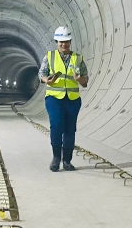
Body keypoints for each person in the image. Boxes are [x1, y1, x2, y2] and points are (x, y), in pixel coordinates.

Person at [39, 26, 89, 172]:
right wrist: (46, 79)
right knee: (56, 124)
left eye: (66, 41)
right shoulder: (49, 56)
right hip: (54, 97)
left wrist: (79, 79)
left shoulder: (78, 58)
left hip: (72, 99)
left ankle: (67, 160)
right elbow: (41, 73)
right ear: (56, 42)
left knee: (70, 129)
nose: (64, 44)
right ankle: (56, 157)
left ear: (70, 41)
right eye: (61, 42)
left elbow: (85, 82)